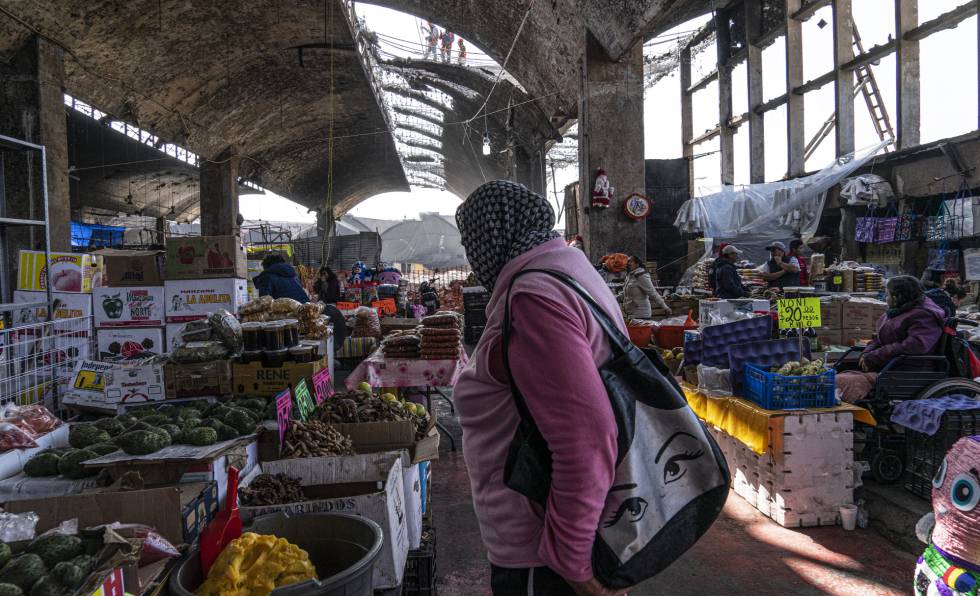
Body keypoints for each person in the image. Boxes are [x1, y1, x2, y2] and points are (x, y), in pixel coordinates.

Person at [454, 180, 628, 596]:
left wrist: (572, 562)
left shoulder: (534, 296)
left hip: (542, 554)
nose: (471, 253)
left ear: (490, 236)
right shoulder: (567, 267)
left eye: (471, 240)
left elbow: (586, 437)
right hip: (562, 531)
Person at [836, 276, 945, 403]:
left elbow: (916, 345)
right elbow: (877, 338)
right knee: (834, 373)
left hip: (906, 370)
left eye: (887, 294)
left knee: (838, 382)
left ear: (896, 297)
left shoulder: (924, 315)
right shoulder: (898, 311)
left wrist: (876, 356)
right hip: (886, 365)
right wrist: (867, 354)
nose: (885, 298)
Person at [620, 255, 670, 319]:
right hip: (631, 315)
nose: (628, 263)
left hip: (641, 315)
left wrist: (665, 307)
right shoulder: (630, 276)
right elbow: (625, 294)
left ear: (637, 264)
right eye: (628, 261)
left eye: (630, 261)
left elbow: (652, 293)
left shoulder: (641, 276)